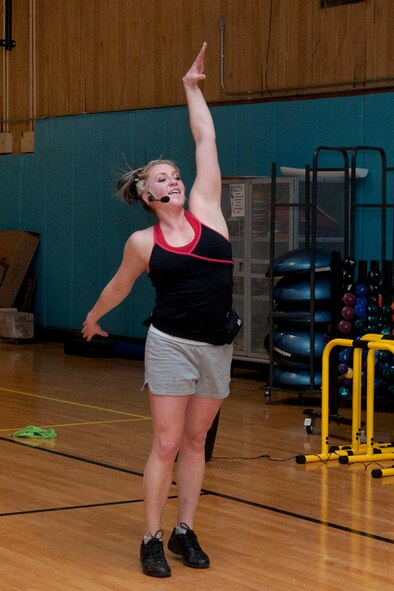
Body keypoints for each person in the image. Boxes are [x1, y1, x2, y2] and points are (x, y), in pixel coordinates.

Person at [82, 42, 237, 578]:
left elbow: (206, 139)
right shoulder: (143, 242)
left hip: (217, 344)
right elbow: (119, 286)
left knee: (196, 442)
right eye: (163, 179)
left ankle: (184, 531)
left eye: (176, 175)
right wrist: (93, 318)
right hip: (170, 343)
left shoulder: (209, 210)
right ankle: (150, 536)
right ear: (147, 195)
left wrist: (191, 87)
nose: (174, 180)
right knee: (168, 443)